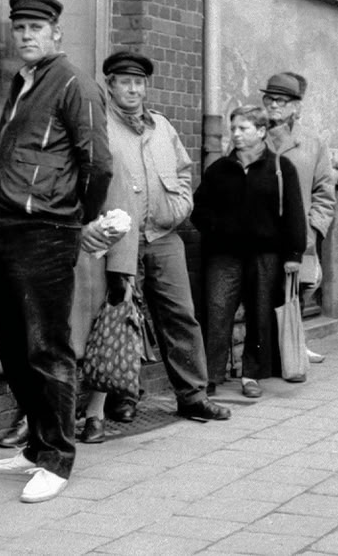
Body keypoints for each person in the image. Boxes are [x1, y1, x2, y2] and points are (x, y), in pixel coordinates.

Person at [0, 0, 113, 504]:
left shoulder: (73, 81)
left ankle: (58, 458)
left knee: (46, 348)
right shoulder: (23, 82)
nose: (27, 35)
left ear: (57, 32)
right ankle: (36, 446)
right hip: (5, 230)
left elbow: (97, 162)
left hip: (46, 233)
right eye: (19, 28)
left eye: (37, 27)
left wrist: (77, 218)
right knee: (12, 348)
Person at [73, 52, 230, 445]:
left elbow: (182, 172)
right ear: (109, 84)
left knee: (180, 315)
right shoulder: (100, 125)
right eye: (124, 81)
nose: (133, 89)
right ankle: (123, 398)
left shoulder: (161, 126)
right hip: (117, 241)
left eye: (139, 82)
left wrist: (177, 210)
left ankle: (192, 396)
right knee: (119, 319)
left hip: (163, 238)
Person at [194, 105, 307, 398]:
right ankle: (211, 375)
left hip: (265, 256)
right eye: (234, 129)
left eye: (243, 129)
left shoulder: (281, 168)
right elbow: (199, 210)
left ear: (260, 132)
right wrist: (218, 230)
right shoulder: (219, 169)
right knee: (217, 312)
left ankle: (251, 375)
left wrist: (294, 254)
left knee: (259, 314)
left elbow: (294, 213)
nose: (236, 134)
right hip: (224, 256)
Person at [262, 71, 336, 364]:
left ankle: (294, 339)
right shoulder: (255, 134)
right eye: (270, 100)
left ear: (296, 106)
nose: (274, 106)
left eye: (281, 101)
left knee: (307, 282)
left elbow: (325, 191)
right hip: (265, 232)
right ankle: (275, 351)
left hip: (300, 232)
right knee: (268, 289)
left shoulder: (313, 142)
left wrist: (315, 230)